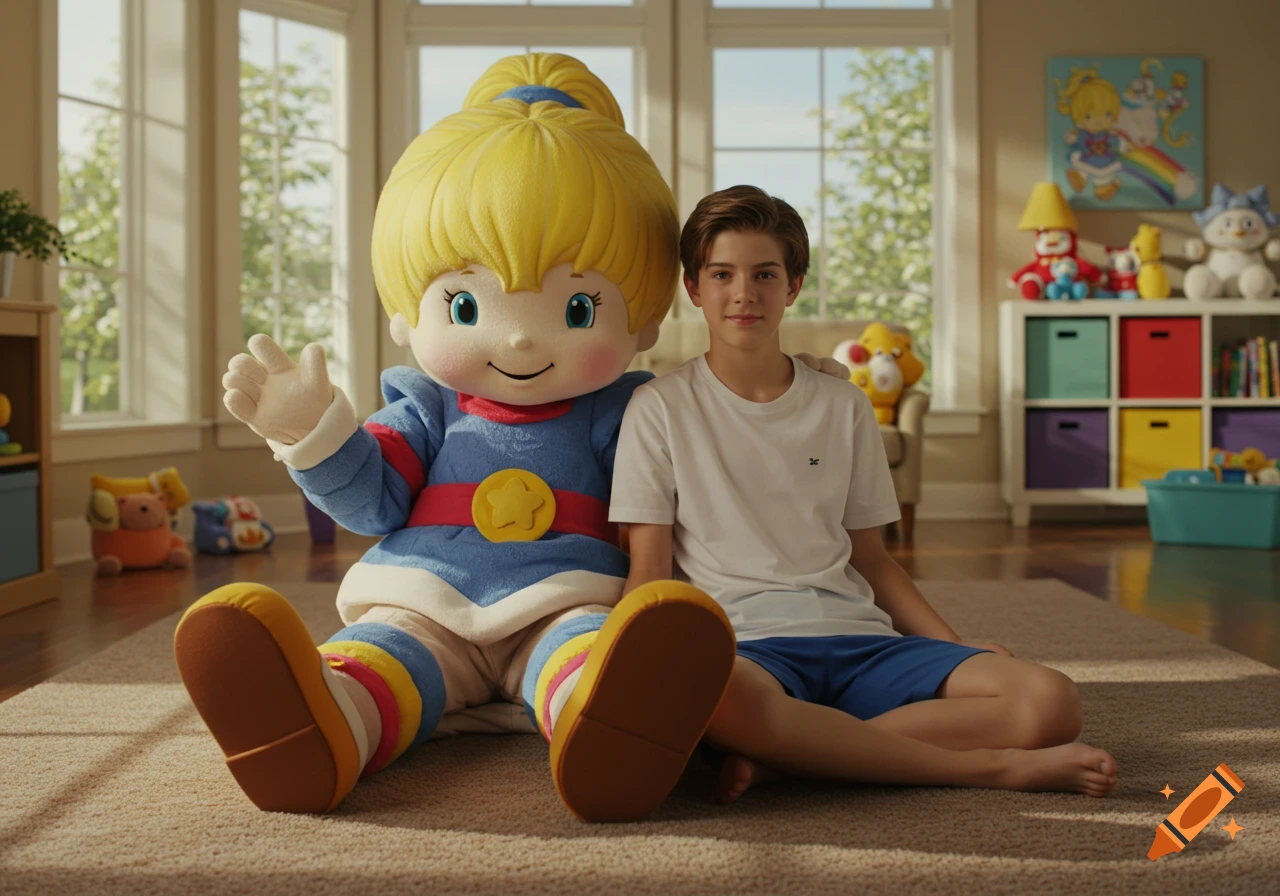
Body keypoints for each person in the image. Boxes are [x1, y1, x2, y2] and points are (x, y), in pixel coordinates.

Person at [609, 185, 1118, 804]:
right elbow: (649, 572)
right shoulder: (657, 408)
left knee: (1051, 701)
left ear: (793, 285)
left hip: (860, 640)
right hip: (744, 653)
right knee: (713, 699)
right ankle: (994, 768)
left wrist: (951, 646)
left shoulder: (843, 403)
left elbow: (871, 559)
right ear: (694, 288)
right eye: (723, 274)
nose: (744, 293)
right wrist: (620, 671)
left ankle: (793, 760)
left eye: (765, 274)